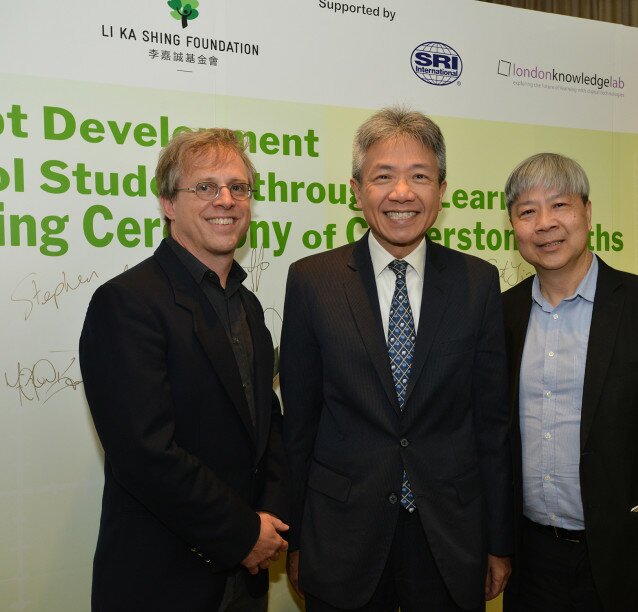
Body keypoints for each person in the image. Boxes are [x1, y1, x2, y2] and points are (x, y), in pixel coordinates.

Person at [279, 107, 513, 611]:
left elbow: (491, 425)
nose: (402, 193)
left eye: (420, 177)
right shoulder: (312, 281)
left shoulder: (477, 282)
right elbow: (299, 425)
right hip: (342, 536)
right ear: (357, 190)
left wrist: (499, 541)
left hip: (449, 537)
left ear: (442, 190)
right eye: (383, 176)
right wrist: (299, 539)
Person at [79, 128, 288, 612]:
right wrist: (242, 532)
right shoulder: (126, 303)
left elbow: (266, 425)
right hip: (164, 580)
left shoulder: (250, 306)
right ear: (168, 204)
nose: (227, 200)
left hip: (246, 576)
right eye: (206, 187)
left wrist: (270, 520)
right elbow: (145, 451)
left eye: (239, 188)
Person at [501, 153, 638, 611]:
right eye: (527, 212)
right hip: (531, 558)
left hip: (631, 555)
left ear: (588, 212)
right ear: (513, 228)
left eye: (560, 205)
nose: (545, 224)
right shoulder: (502, 315)